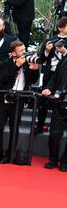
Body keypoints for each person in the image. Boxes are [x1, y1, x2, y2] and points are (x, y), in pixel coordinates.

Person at [0, 40, 39, 164]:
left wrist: (34, 69)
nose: (24, 53)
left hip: (19, 99)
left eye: (24, 50)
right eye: (21, 51)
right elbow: (3, 79)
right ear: (13, 53)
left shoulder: (28, 63)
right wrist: (16, 66)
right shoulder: (5, 64)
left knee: (14, 128)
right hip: (4, 98)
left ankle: (10, 155)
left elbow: (33, 80)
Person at [41, 41, 67, 172]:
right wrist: (49, 89)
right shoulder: (64, 62)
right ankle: (53, 159)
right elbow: (54, 78)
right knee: (54, 134)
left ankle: (65, 162)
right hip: (60, 103)